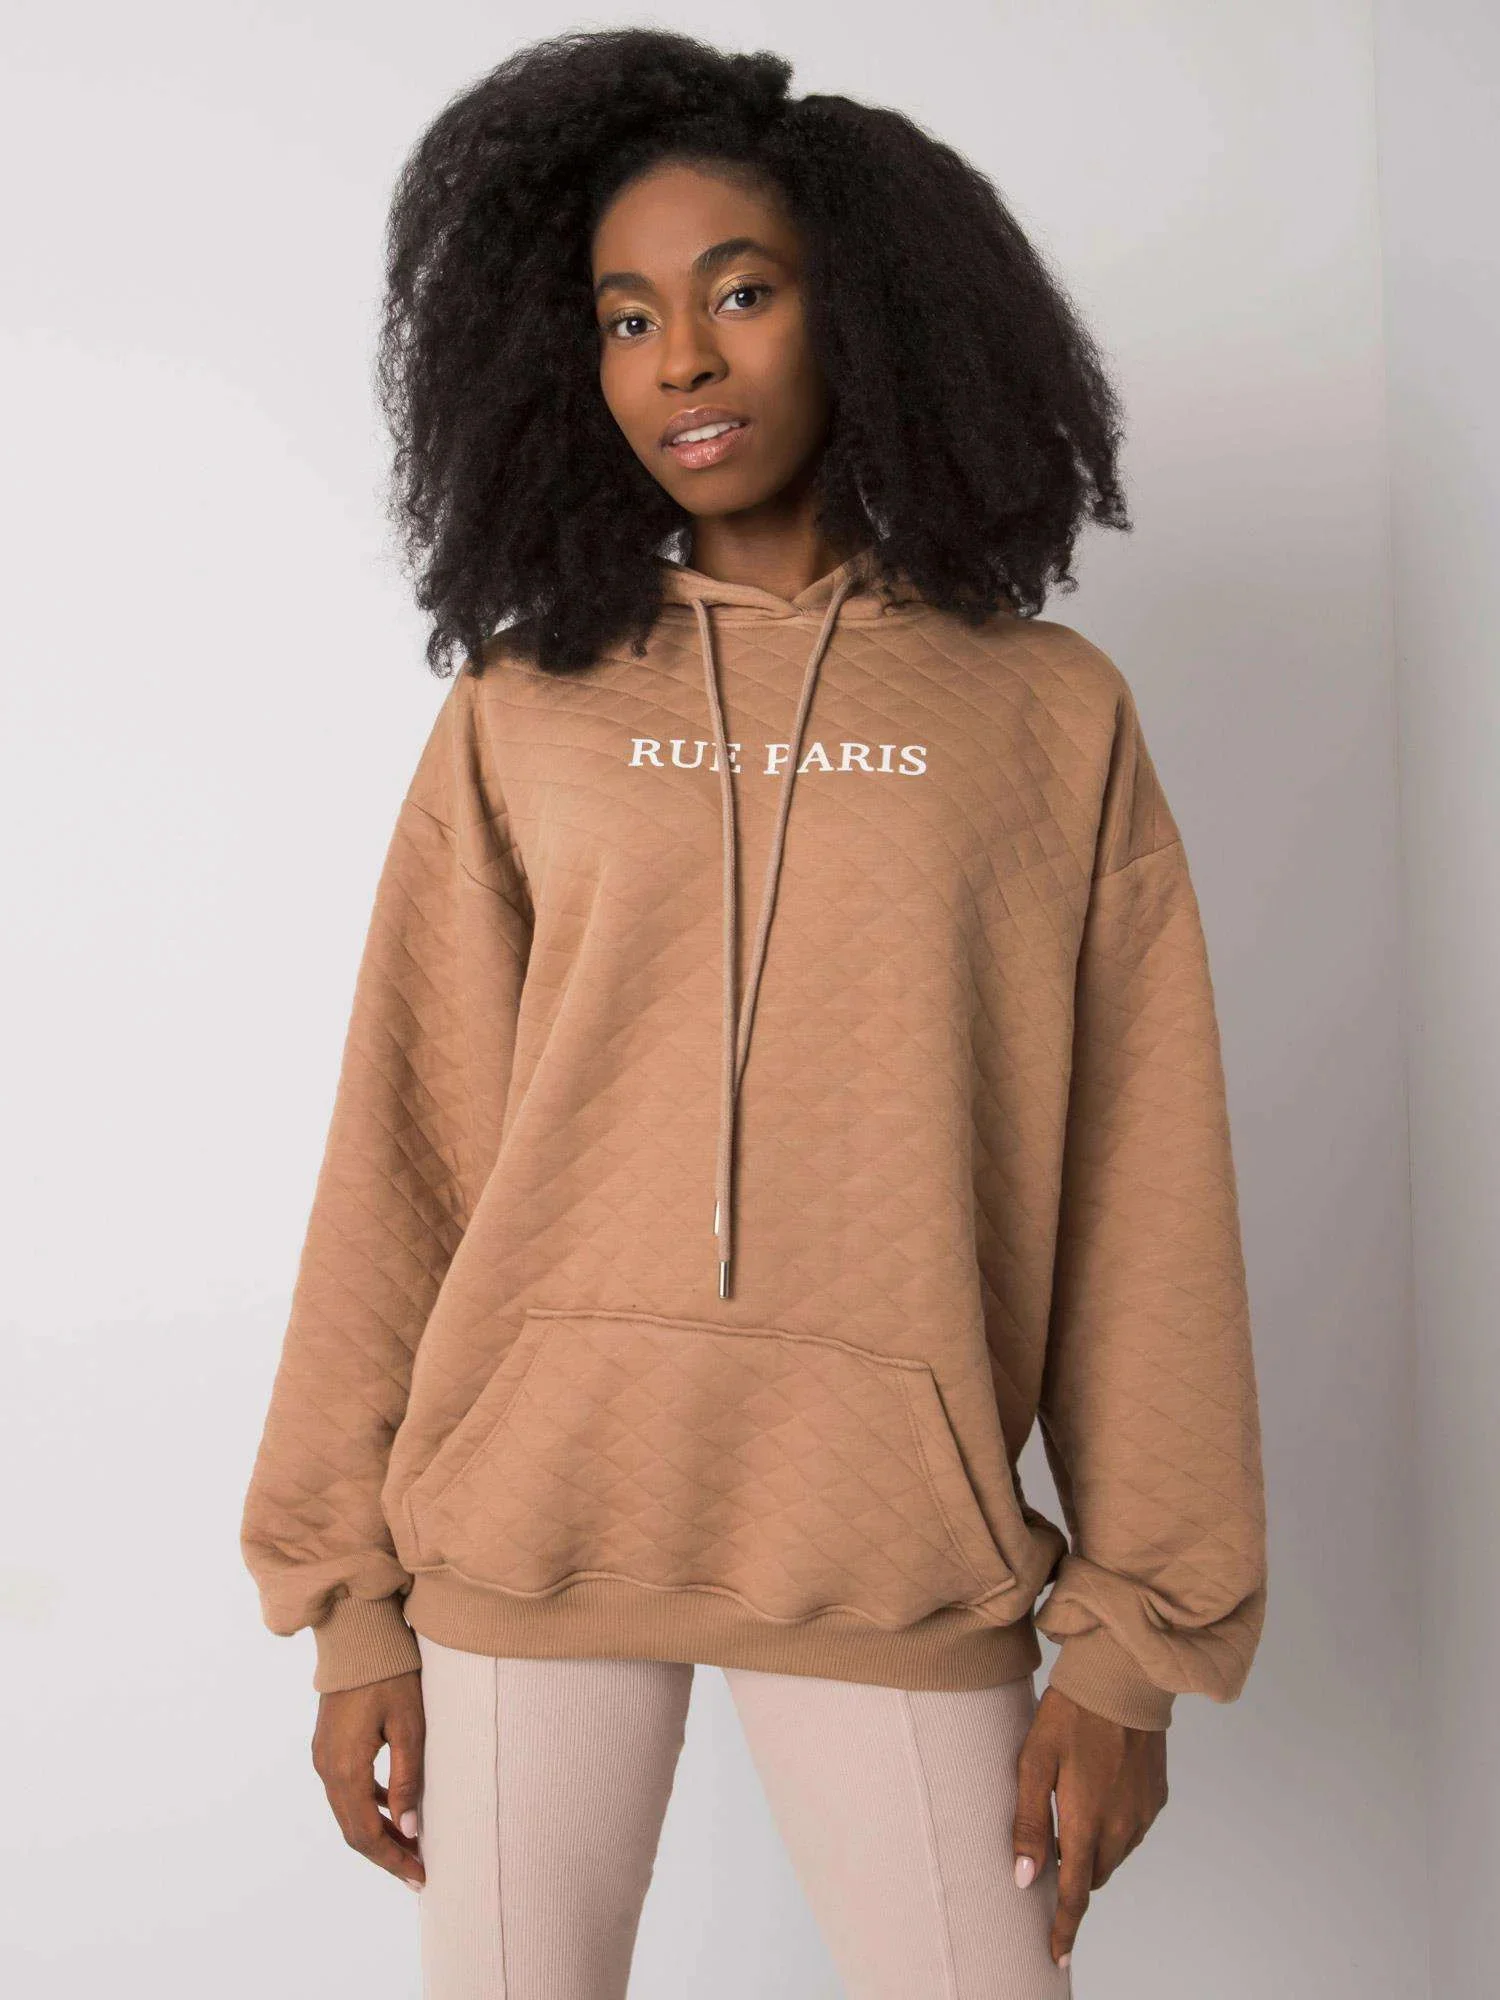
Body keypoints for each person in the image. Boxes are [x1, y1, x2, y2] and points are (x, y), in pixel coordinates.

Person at [240, 26, 1268, 1999]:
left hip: (893, 1537)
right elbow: (409, 1144)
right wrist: (348, 1598)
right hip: (527, 1526)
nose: (680, 364)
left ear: (865, 310)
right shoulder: (527, 706)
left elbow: (1145, 1186)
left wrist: (1134, 1648)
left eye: (740, 293)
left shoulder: (1043, 713)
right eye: (627, 317)